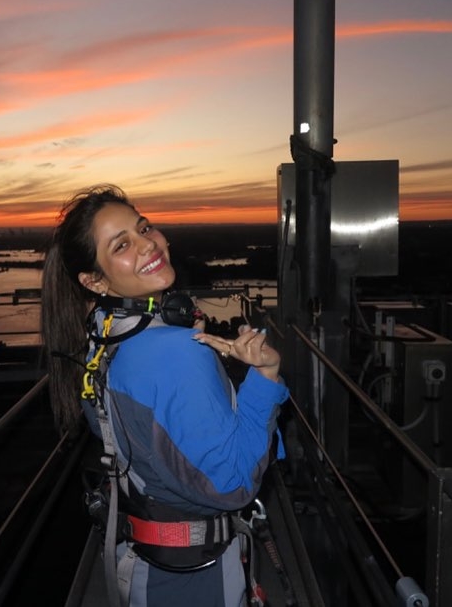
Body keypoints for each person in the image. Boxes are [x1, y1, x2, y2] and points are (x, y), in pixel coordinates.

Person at [40, 185, 289, 607]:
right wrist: (264, 376)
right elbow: (234, 483)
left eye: (144, 228)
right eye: (122, 245)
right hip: (199, 580)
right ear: (94, 280)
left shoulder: (102, 334)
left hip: (145, 564)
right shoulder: (174, 351)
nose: (147, 245)